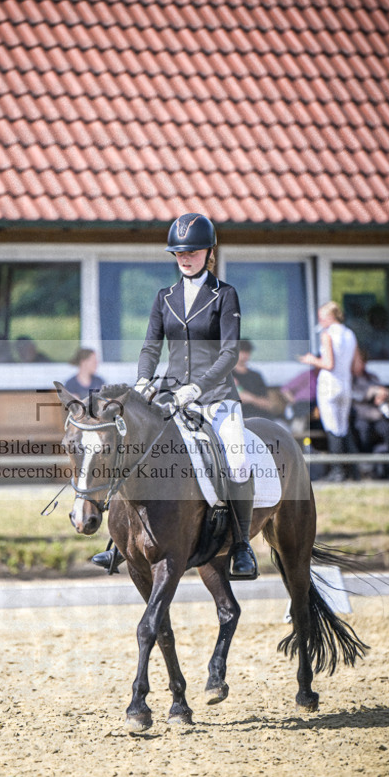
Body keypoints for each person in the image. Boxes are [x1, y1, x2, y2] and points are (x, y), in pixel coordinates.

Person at [95, 212, 257, 578]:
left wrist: (198, 387)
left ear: (208, 252)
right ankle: (119, 543)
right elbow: (151, 346)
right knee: (133, 448)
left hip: (216, 396)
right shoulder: (164, 297)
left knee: (237, 459)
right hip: (169, 393)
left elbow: (229, 353)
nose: (185, 258)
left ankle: (243, 545)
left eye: (193, 252)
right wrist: (142, 382)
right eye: (179, 252)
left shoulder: (225, 295)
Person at [299, 301, 359, 482]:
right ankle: (355, 470)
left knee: (333, 429)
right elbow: (356, 366)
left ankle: (337, 470)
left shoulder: (328, 334)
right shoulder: (350, 334)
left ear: (330, 317)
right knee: (343, 428)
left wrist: (311, 359)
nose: (320, 321)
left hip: (329, 386)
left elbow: (328, 364)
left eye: (321, 317)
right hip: (345, 385)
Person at [351, 347, 389, 479]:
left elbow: (384, 391)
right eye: (358, 361)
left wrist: (383, 394)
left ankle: (388, 466)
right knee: (363, 429)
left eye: (363, 362)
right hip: (360, 416)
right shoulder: (349, 379)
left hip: (377, 416)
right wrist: (371, 393)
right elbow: (355, 396)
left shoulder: (372, 377)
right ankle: (367, 465)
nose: (361, 364)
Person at [232, 339, 279, 421]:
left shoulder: (256, 376)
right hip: (239, 417)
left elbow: (268, 403)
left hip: (262, 417)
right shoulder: (228, 375)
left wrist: (251, 398)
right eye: (241, 351)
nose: (244, 355)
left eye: (247, 352)